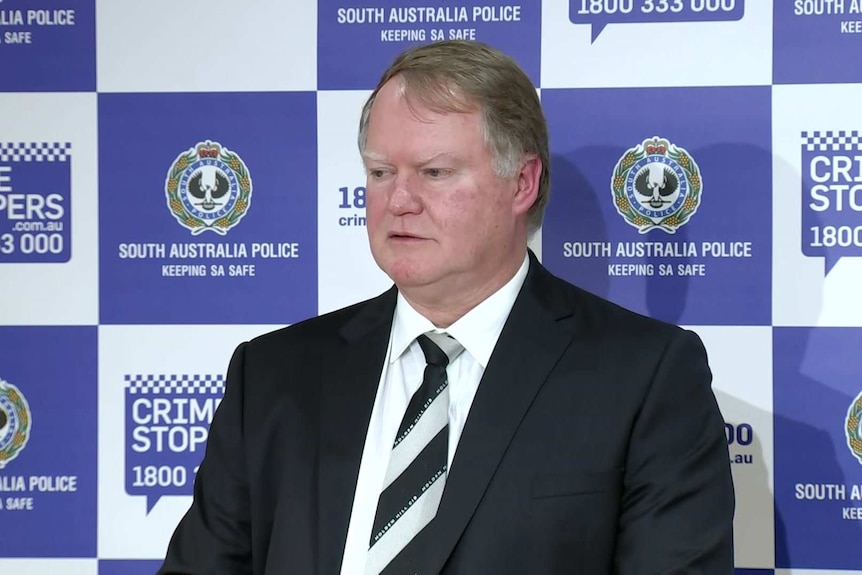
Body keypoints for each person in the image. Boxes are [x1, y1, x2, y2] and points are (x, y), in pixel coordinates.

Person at [158, 40, 734, 574]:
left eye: (435, 173)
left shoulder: (646, 376)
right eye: (381, 172)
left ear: (522, 183)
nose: (399, 201)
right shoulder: (272, 374)